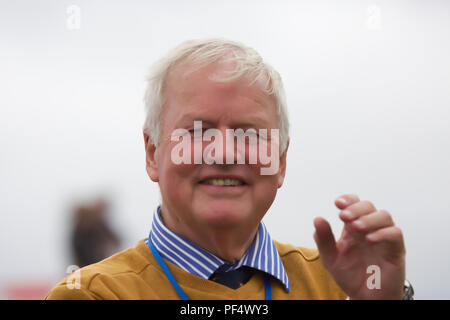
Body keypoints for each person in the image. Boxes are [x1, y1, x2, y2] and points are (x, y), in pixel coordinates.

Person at [46, 38, 411, 300]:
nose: (223, 153)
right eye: (197, 131)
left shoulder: (340, 285)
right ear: (152, 152)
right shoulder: (95, 294)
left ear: (280, 161)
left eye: (249, 134)